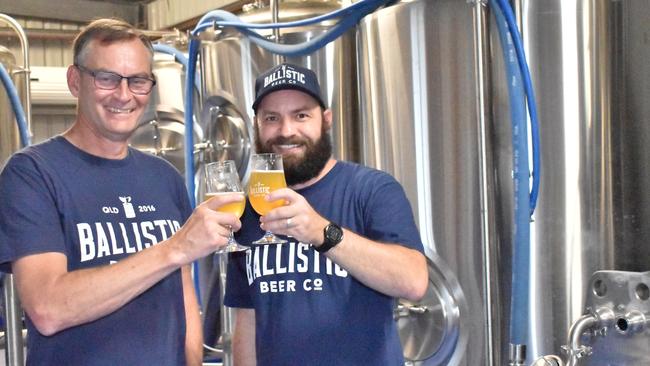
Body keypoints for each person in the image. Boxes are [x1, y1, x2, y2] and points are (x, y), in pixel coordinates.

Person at [0, 18, 243, 365]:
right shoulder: (33, 174)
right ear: (75, 81)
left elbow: (185, 296)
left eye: (138, 81)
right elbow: (47, 308)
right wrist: (173, 249)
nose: (124, 95)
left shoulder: (164, 177)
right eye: (107, 78)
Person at [224, 63, 429, 365]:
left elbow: (413, 281)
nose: (286, 131)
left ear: (327, 120)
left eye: (301, 115)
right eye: (271, 118)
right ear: (257, 125)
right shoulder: (251, 207)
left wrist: (323, 233)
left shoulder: (371, 190)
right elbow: (247, 320)